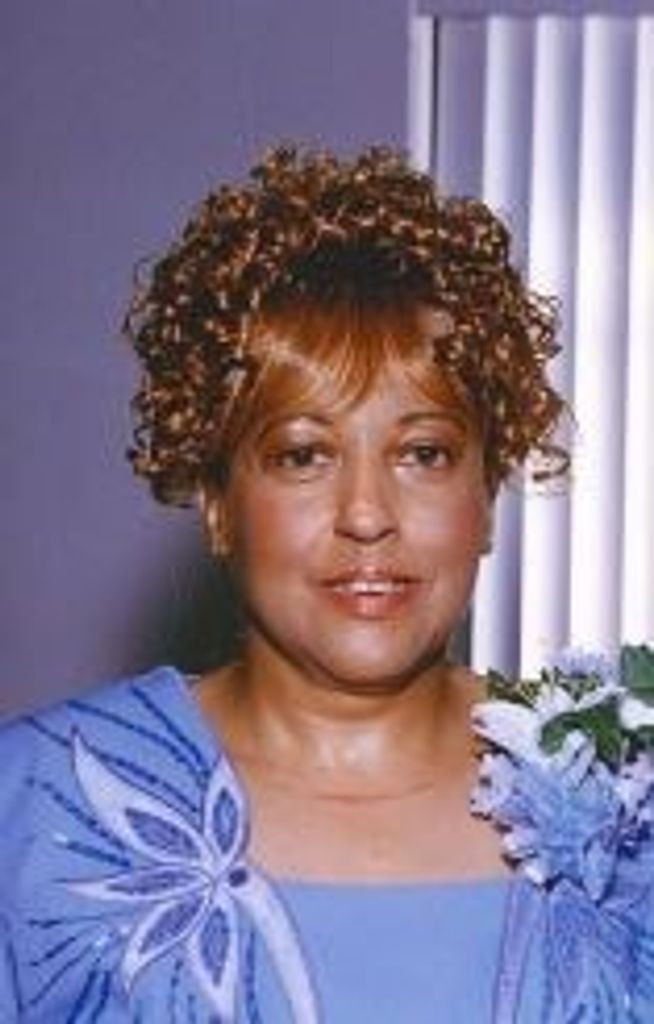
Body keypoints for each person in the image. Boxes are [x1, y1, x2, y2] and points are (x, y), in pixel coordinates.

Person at [1, 146, 651, 1022]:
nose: (367, 514)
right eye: (303, 455)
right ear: (218, 503)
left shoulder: (628, 814)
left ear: (487, 495)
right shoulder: (37, 808)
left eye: (424, 453)